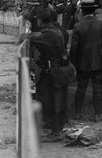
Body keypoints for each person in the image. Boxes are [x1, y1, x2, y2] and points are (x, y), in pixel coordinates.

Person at [20, 9, 68, 141]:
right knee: (52, 97)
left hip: (52, 70)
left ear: (41, 20)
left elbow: (26, 37)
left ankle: (56, 132)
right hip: (55, 69)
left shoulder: (48, 34)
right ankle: (54, 127)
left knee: (51, 99)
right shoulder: (56, 30)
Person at [69, 0, 102, 122]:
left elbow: (74, 48)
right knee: (97, 87)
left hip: (83, 62)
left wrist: (72, 61)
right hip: (99, 61)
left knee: (81, 87)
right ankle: (98, 114)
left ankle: (78, 113)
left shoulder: (78, 26)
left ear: (82, 11)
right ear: (94, 11)